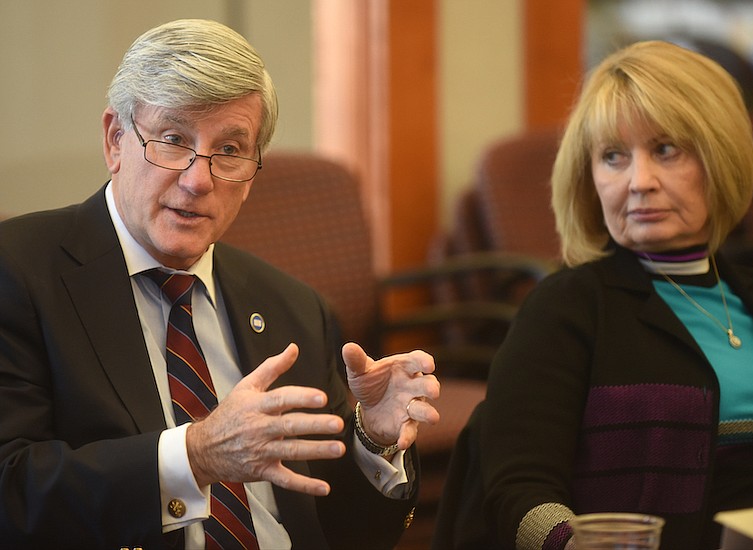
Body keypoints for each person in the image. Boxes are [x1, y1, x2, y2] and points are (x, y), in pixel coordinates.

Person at [0, 19, 440, 550]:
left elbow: (344, 534)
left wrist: (373, 440)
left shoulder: (295, 308)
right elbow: (12, 492)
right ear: (116, 139)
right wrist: (197, 454)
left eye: (229, 150)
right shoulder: (19, 271)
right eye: (172, 139)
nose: (198, 179)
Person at [434, 41, 753, 550]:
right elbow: (517, 490)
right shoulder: (566, 308)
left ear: (722, 158)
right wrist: (573, 541)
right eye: (613, 157)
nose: (639, 182)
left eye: (666, 150)